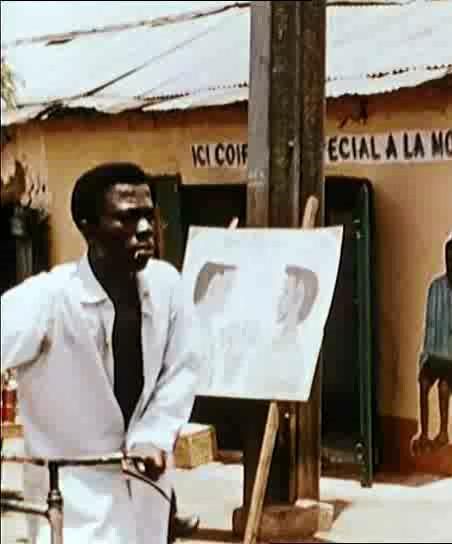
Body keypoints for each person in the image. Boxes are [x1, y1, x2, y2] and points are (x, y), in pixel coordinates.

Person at [1, 162, 201, 543]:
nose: (145, 229)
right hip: (72, 506)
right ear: (87, 227)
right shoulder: (48, 298)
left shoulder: (167, 288)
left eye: (148, 216)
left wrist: (154, 436)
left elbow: (181, 371)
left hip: (145, 497)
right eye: (127, 218)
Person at [411, 240, 452, 454]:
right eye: (448, 259)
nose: (451, 264)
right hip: (437, 354)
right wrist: (425, 358)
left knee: (444, 388)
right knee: (423, 383)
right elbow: (429, 325)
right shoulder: (435, 288)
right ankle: (424, 434)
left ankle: (443, 433)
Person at [243, 264, 319, 401]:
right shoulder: (273, 341)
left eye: (285, 292)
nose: (279, 298)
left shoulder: (291, 355)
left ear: (298, 298)